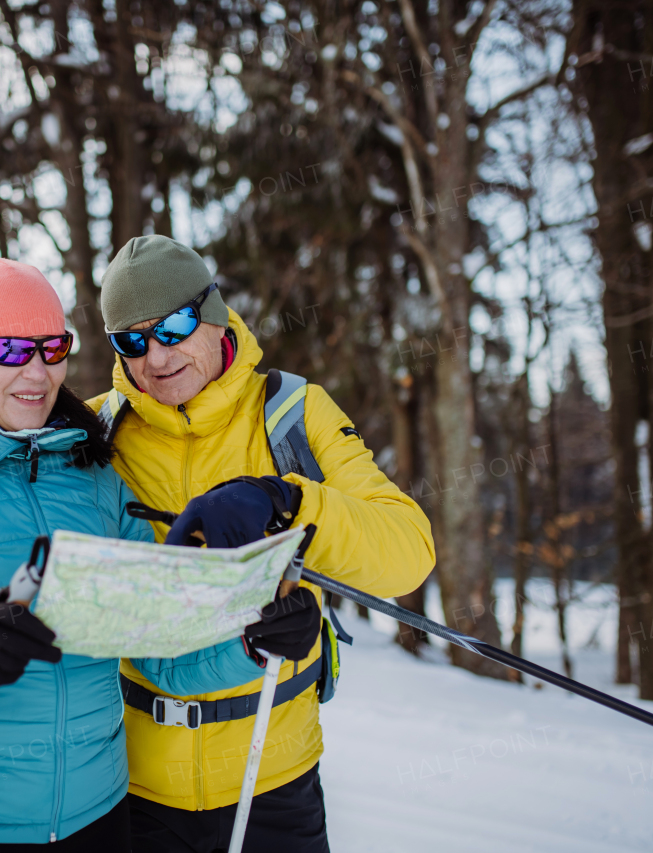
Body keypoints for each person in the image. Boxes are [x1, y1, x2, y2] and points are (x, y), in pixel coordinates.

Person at [0, 258, 314, 851]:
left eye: (53, 347)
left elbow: (159, 649)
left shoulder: (97, 478)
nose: (37, 372)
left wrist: (248, 642)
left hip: (97, 821)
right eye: (10, 350)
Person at [91, 235, 436, 853]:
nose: (155, 356)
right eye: (131, 340)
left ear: (213, 310)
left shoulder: (293, 415)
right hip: (137, 791)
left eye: (172, 327)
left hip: (274, 783)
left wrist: (287, 502)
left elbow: (407, 552)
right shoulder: (94, 434)